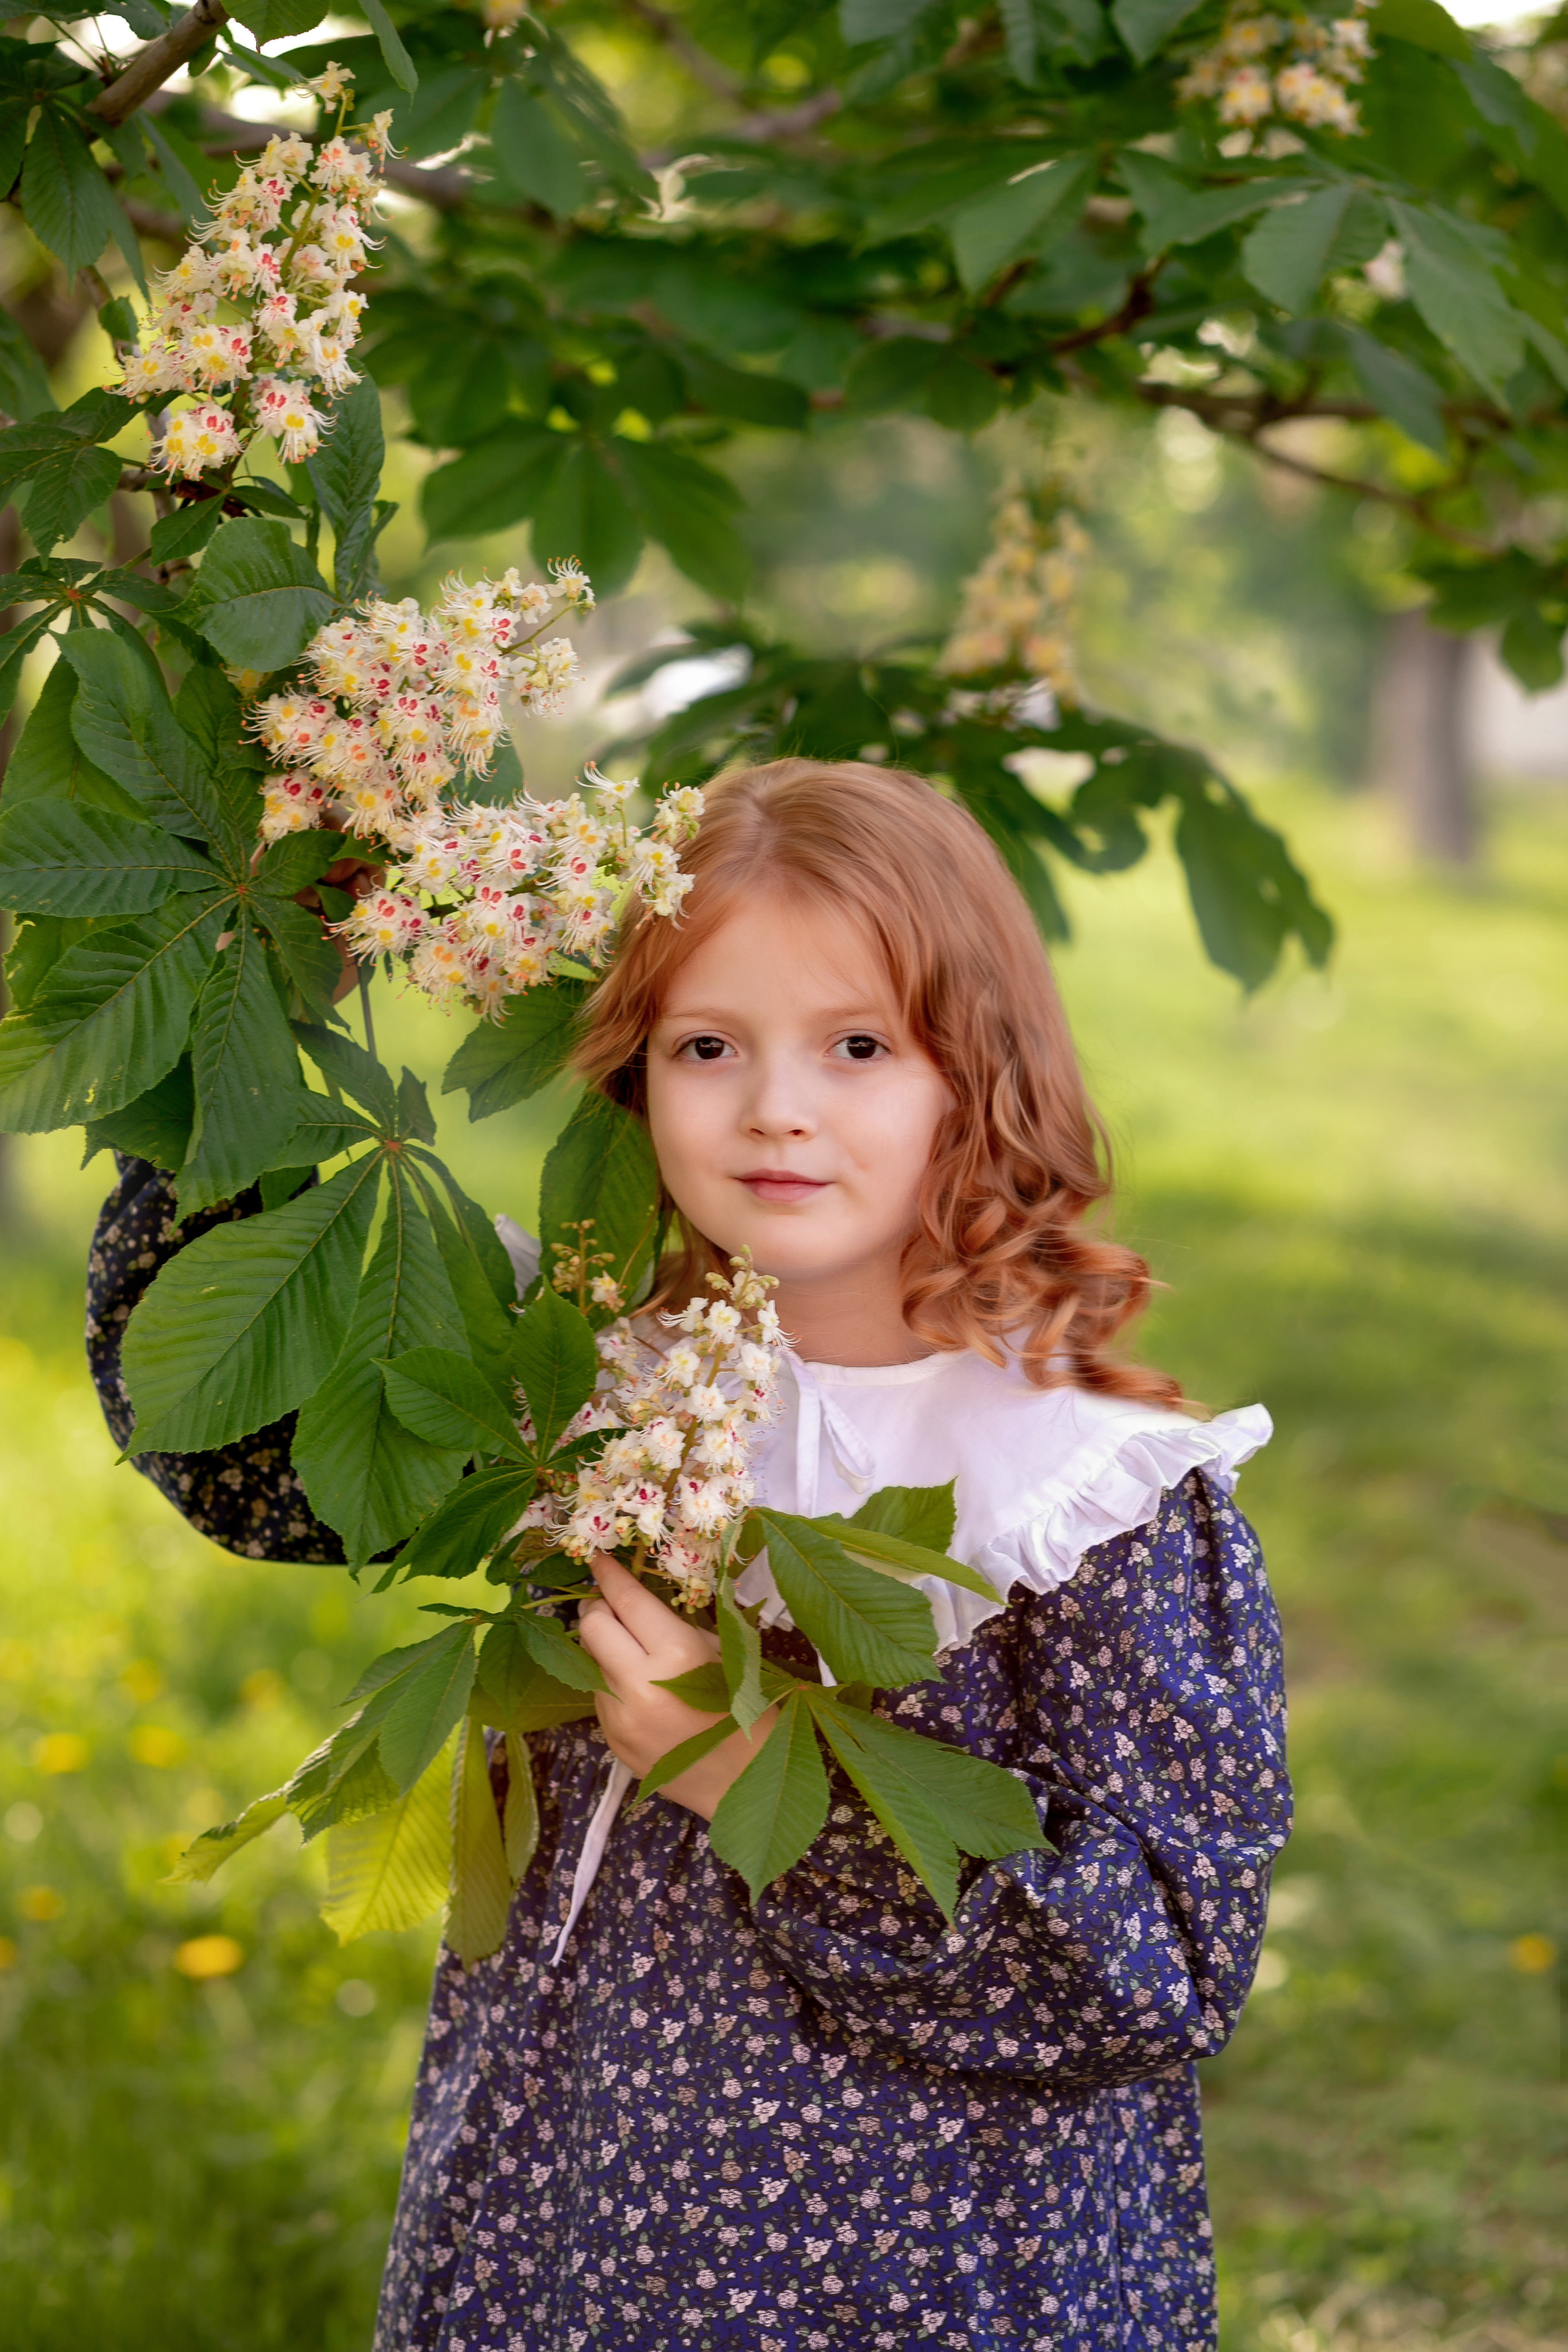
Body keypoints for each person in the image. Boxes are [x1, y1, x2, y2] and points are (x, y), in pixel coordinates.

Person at [87, 757, 1290, 2352]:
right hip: (562, 2231)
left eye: (857, 1045)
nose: (775, 1106)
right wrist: (251, 1004)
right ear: (631, 1076)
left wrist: (758, 1774)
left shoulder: (1082, 1494)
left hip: (926, 2277)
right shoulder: (578, 1380)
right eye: (706, 1045)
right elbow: (228, 1450)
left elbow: (1161, 1976)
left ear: (972, 1073)